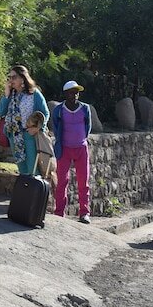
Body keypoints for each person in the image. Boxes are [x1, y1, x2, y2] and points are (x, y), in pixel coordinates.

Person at [50, 81, 93, 224]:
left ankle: (84, 212)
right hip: (64, 149)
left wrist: (81, 139)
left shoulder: (85, 108)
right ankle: (59, 212)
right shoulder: (59, 110)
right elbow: (56, 127)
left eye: (76, 92)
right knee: (62, 181)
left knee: (83, 181)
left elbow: (88, 126)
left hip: (81, 148)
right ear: (65, 94)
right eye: (71, 92)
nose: (74, 95)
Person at [0, 64, 49, 175]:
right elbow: (0, 112)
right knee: (22, 170)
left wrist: (37, 128)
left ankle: (35, 191)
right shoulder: (11, 95)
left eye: (14, 77)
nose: (11, 80)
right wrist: (6, 94)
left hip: (30, 135)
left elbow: (45, 113)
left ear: (22, 78)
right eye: (9, 77)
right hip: (14, 137)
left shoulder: (34, 94)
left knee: (33, 169)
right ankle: (25, 191)